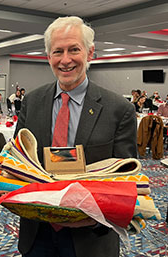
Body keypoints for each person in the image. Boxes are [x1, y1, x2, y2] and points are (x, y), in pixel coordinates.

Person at [14, 16, 137, 257]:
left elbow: (125, 182)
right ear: (48, 56)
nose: (65, 59)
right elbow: (18, 162)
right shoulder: (32, 101)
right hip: (37, 232)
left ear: (90, 53)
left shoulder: (118, 109)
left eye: (74, 50)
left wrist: (95, 220)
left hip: (90, 237)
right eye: (57, 51)